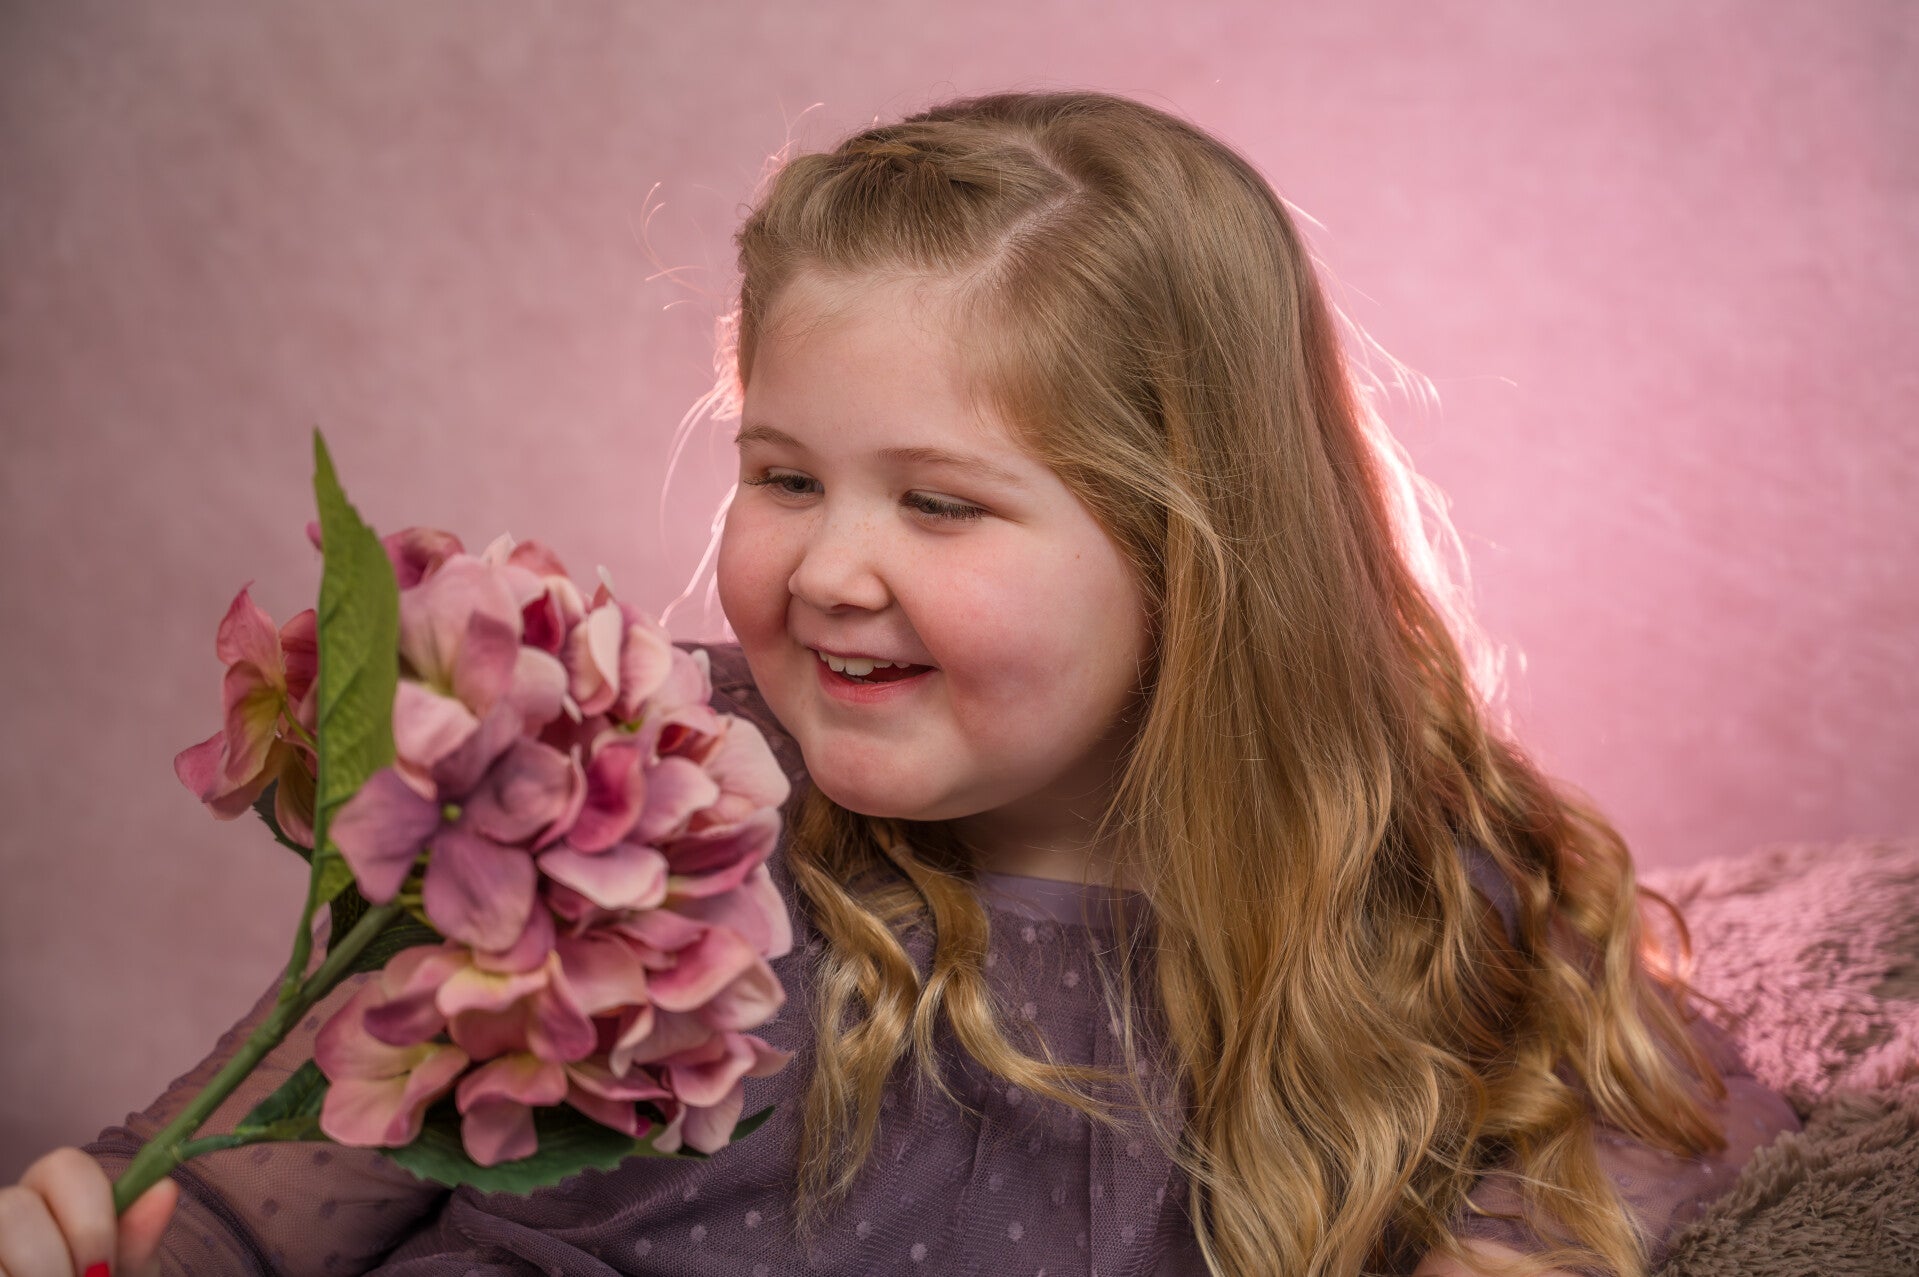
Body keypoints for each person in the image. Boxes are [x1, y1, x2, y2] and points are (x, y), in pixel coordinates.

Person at [0, 89, 1799, 1277]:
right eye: (785, 476)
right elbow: (289, 1161)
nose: (828, 568)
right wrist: (134, 1223)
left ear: (1198, 556)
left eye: (939, 503)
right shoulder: (636, 811)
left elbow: (1651, 1113)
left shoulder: (1385, 886)